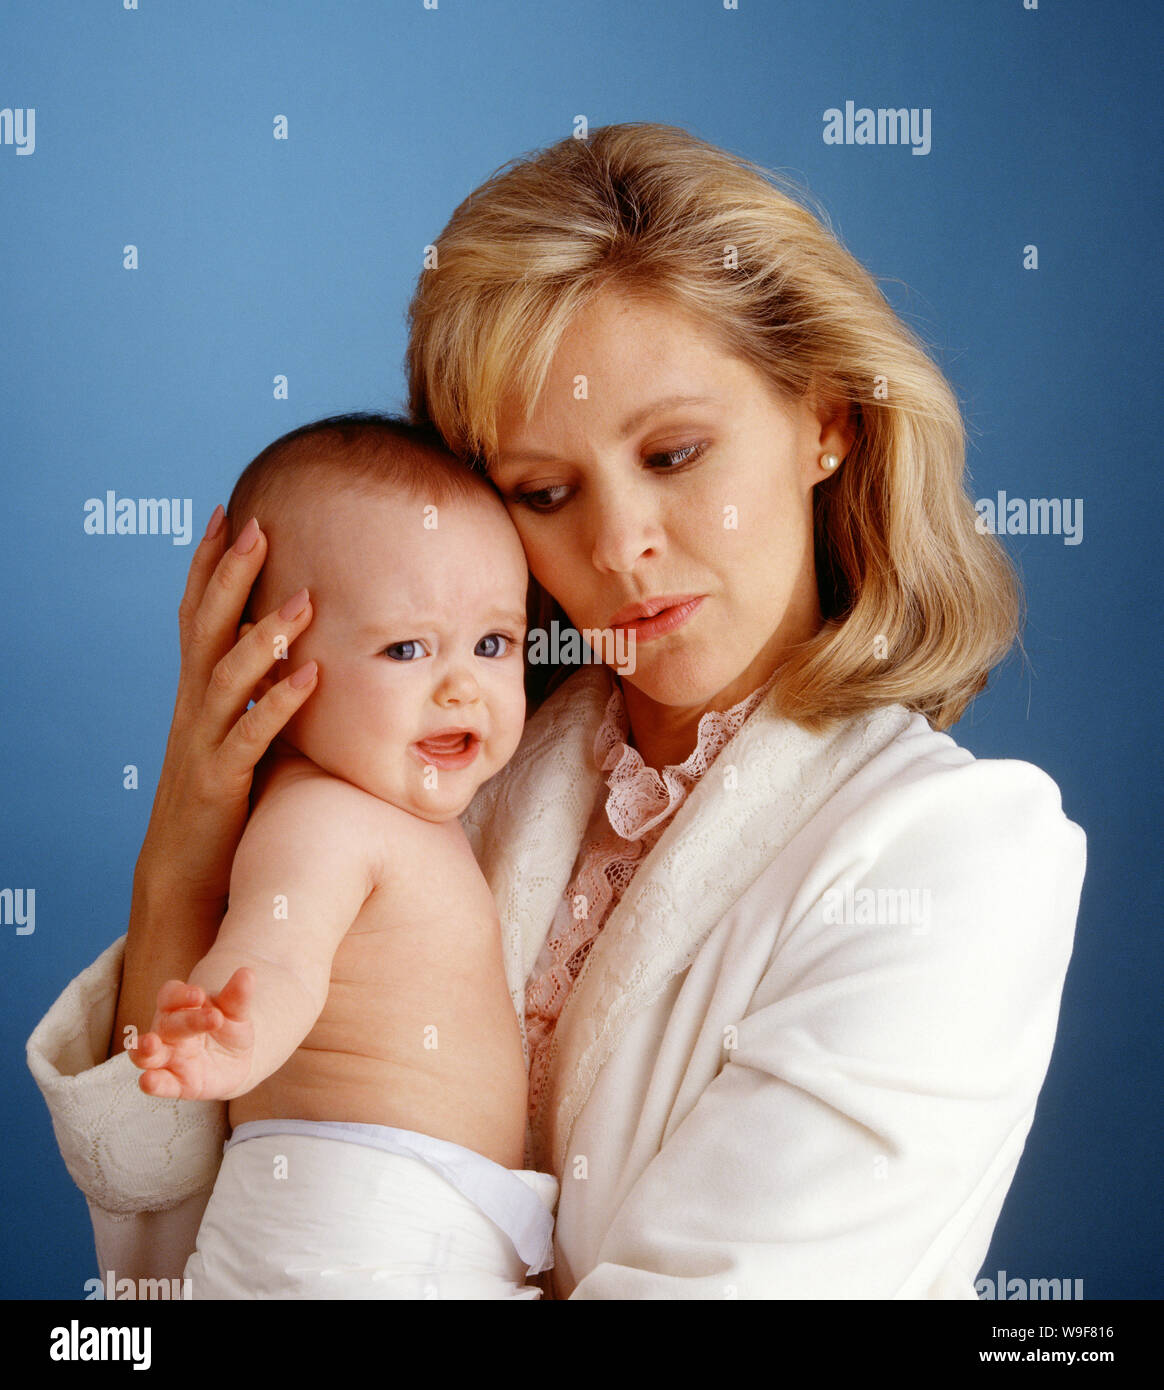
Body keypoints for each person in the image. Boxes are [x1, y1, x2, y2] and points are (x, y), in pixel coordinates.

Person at [27, 123, 1085, 1299]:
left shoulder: (953, 852)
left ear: (827, 422)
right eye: (543, 490)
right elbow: (169, 1266)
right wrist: (188, 836)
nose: (620, 546)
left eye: (676, 453)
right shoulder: (440, 779)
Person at [125, 414, 557, 1298]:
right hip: (351, 1224)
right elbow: (278, 949)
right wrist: (236, 1033)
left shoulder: (389, 808)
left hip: (394, 1220)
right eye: (406, 647)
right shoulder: (321, 819)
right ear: (270, 669)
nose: (460, 683)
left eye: (493, 643)